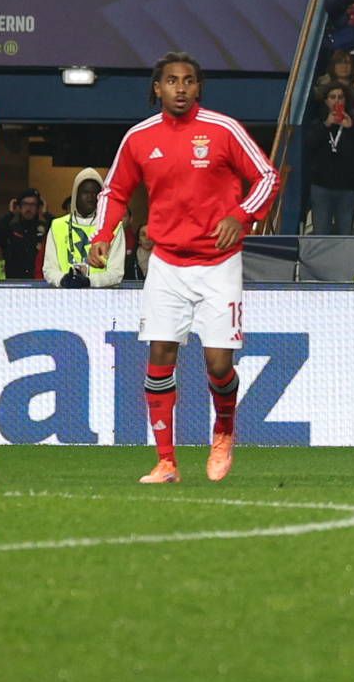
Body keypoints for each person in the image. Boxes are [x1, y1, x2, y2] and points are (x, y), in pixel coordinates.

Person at [89, 52, 282, 485]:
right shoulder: (139, 137)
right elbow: (115, 190)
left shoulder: (223, 129)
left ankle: (225, 429)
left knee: (217, 364)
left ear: (199, 87)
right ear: (157, 88)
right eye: (172, 80)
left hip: (218, 263)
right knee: (160, 355)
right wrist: (102, 234)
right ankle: (166, 461)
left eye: (189, 81)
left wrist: (242, 215)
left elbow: (267, 176)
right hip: (167, 263)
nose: (181, 88)